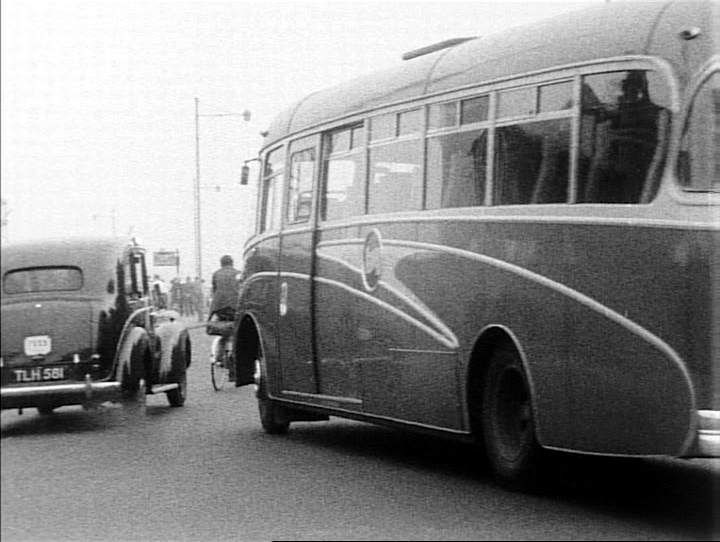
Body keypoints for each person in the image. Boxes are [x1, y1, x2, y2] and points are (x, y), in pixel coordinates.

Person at [210, 255, 241, 321]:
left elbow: (214, 290)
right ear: (232, 263)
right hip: (235, 307)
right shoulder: (238, 273)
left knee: (212, 322)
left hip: (219, 308)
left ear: (221, 264)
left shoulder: (216, 274)